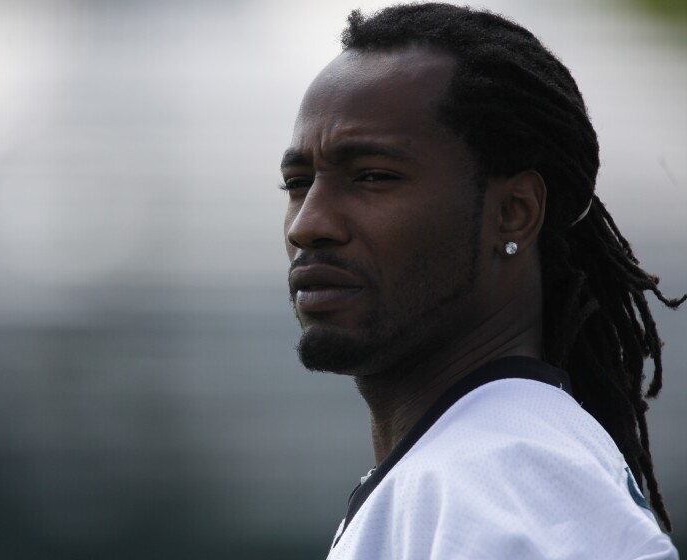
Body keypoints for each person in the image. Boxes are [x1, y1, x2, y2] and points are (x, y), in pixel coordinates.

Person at [279, 3, 683, 558]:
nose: (308, 224)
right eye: (298, 183)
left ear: (513, 213)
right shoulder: (472, 468)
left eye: (373, 176)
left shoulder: (504, 479)